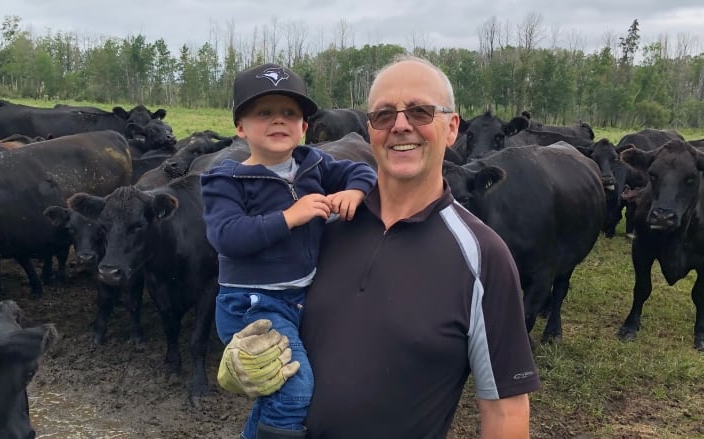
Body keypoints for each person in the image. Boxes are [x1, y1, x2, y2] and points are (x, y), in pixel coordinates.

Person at [214, 55, 541, 438]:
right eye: (384, 115)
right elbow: (260, 298)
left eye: (419, 112)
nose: (401, 126)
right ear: (369, 130)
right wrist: (245, 358)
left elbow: (506, 409)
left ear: (452, 128)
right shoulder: (321, 225)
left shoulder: (482, 256)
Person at [200, 63, 377, 439]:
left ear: (304, 127)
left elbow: (362, 172)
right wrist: (290, 217)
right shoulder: (226, 180)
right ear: (240, 127)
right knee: (294, 392)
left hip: (301, 299)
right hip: (253, 305)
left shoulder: (313, 163)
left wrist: (355, 191)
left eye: (289, 113)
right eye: (264, 112)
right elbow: (227, 236)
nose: (278, 121)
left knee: (277, 393)